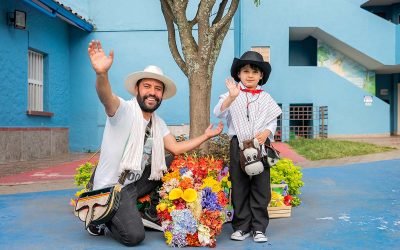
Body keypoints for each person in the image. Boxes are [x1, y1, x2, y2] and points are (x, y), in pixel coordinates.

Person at [87, 40, 223, 246]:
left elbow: (175, 148)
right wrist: (101, 74)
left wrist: (206, 136)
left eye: (157, 89)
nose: (152, 92)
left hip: (133, 183)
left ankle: (150, 209)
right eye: (147, 86)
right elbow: (106, 97)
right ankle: (102, 219)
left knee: (171, 162)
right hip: (112, 188)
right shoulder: (123, 110)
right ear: (137, 90)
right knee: (134, 237)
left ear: (161, 95)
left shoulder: (158, 123)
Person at [213, 51, 282, 243]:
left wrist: (267, 132)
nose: (250, 75)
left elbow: (272, 119)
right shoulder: (231, 94)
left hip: (260, 144)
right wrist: (231, 97)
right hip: (238, 144)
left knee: (261, 187)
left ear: (261, 75)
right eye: (245, 71)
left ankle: (259, 227)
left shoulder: (266, 97)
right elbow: (218, 112)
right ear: (238, 74)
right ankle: (242, 226)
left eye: (254, 71)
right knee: (240, 185)